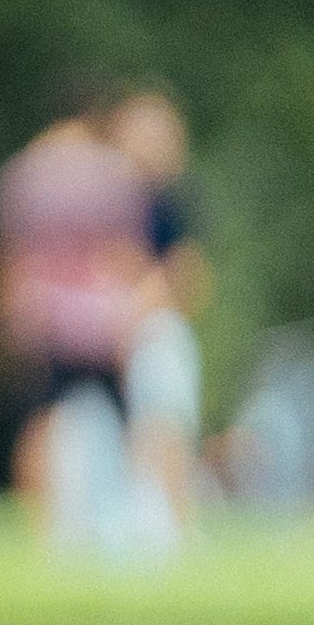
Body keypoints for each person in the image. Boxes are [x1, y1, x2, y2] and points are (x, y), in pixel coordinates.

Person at [0, 101, 155, 541]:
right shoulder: (114, 175)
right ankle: (135, 521)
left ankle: (40, 527)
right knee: (126, 426)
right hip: (103, 320)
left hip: (42, 318)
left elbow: (9, 260)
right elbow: (128, 256)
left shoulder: (21, 176)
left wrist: (1, 327)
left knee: (39, 424)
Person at [108, 87, 211, 539]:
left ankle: (170, 516)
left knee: (168, 420)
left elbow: (189, 275)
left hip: (154, 324)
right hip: (121, 326)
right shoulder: (112, 200)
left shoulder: (173, 202)